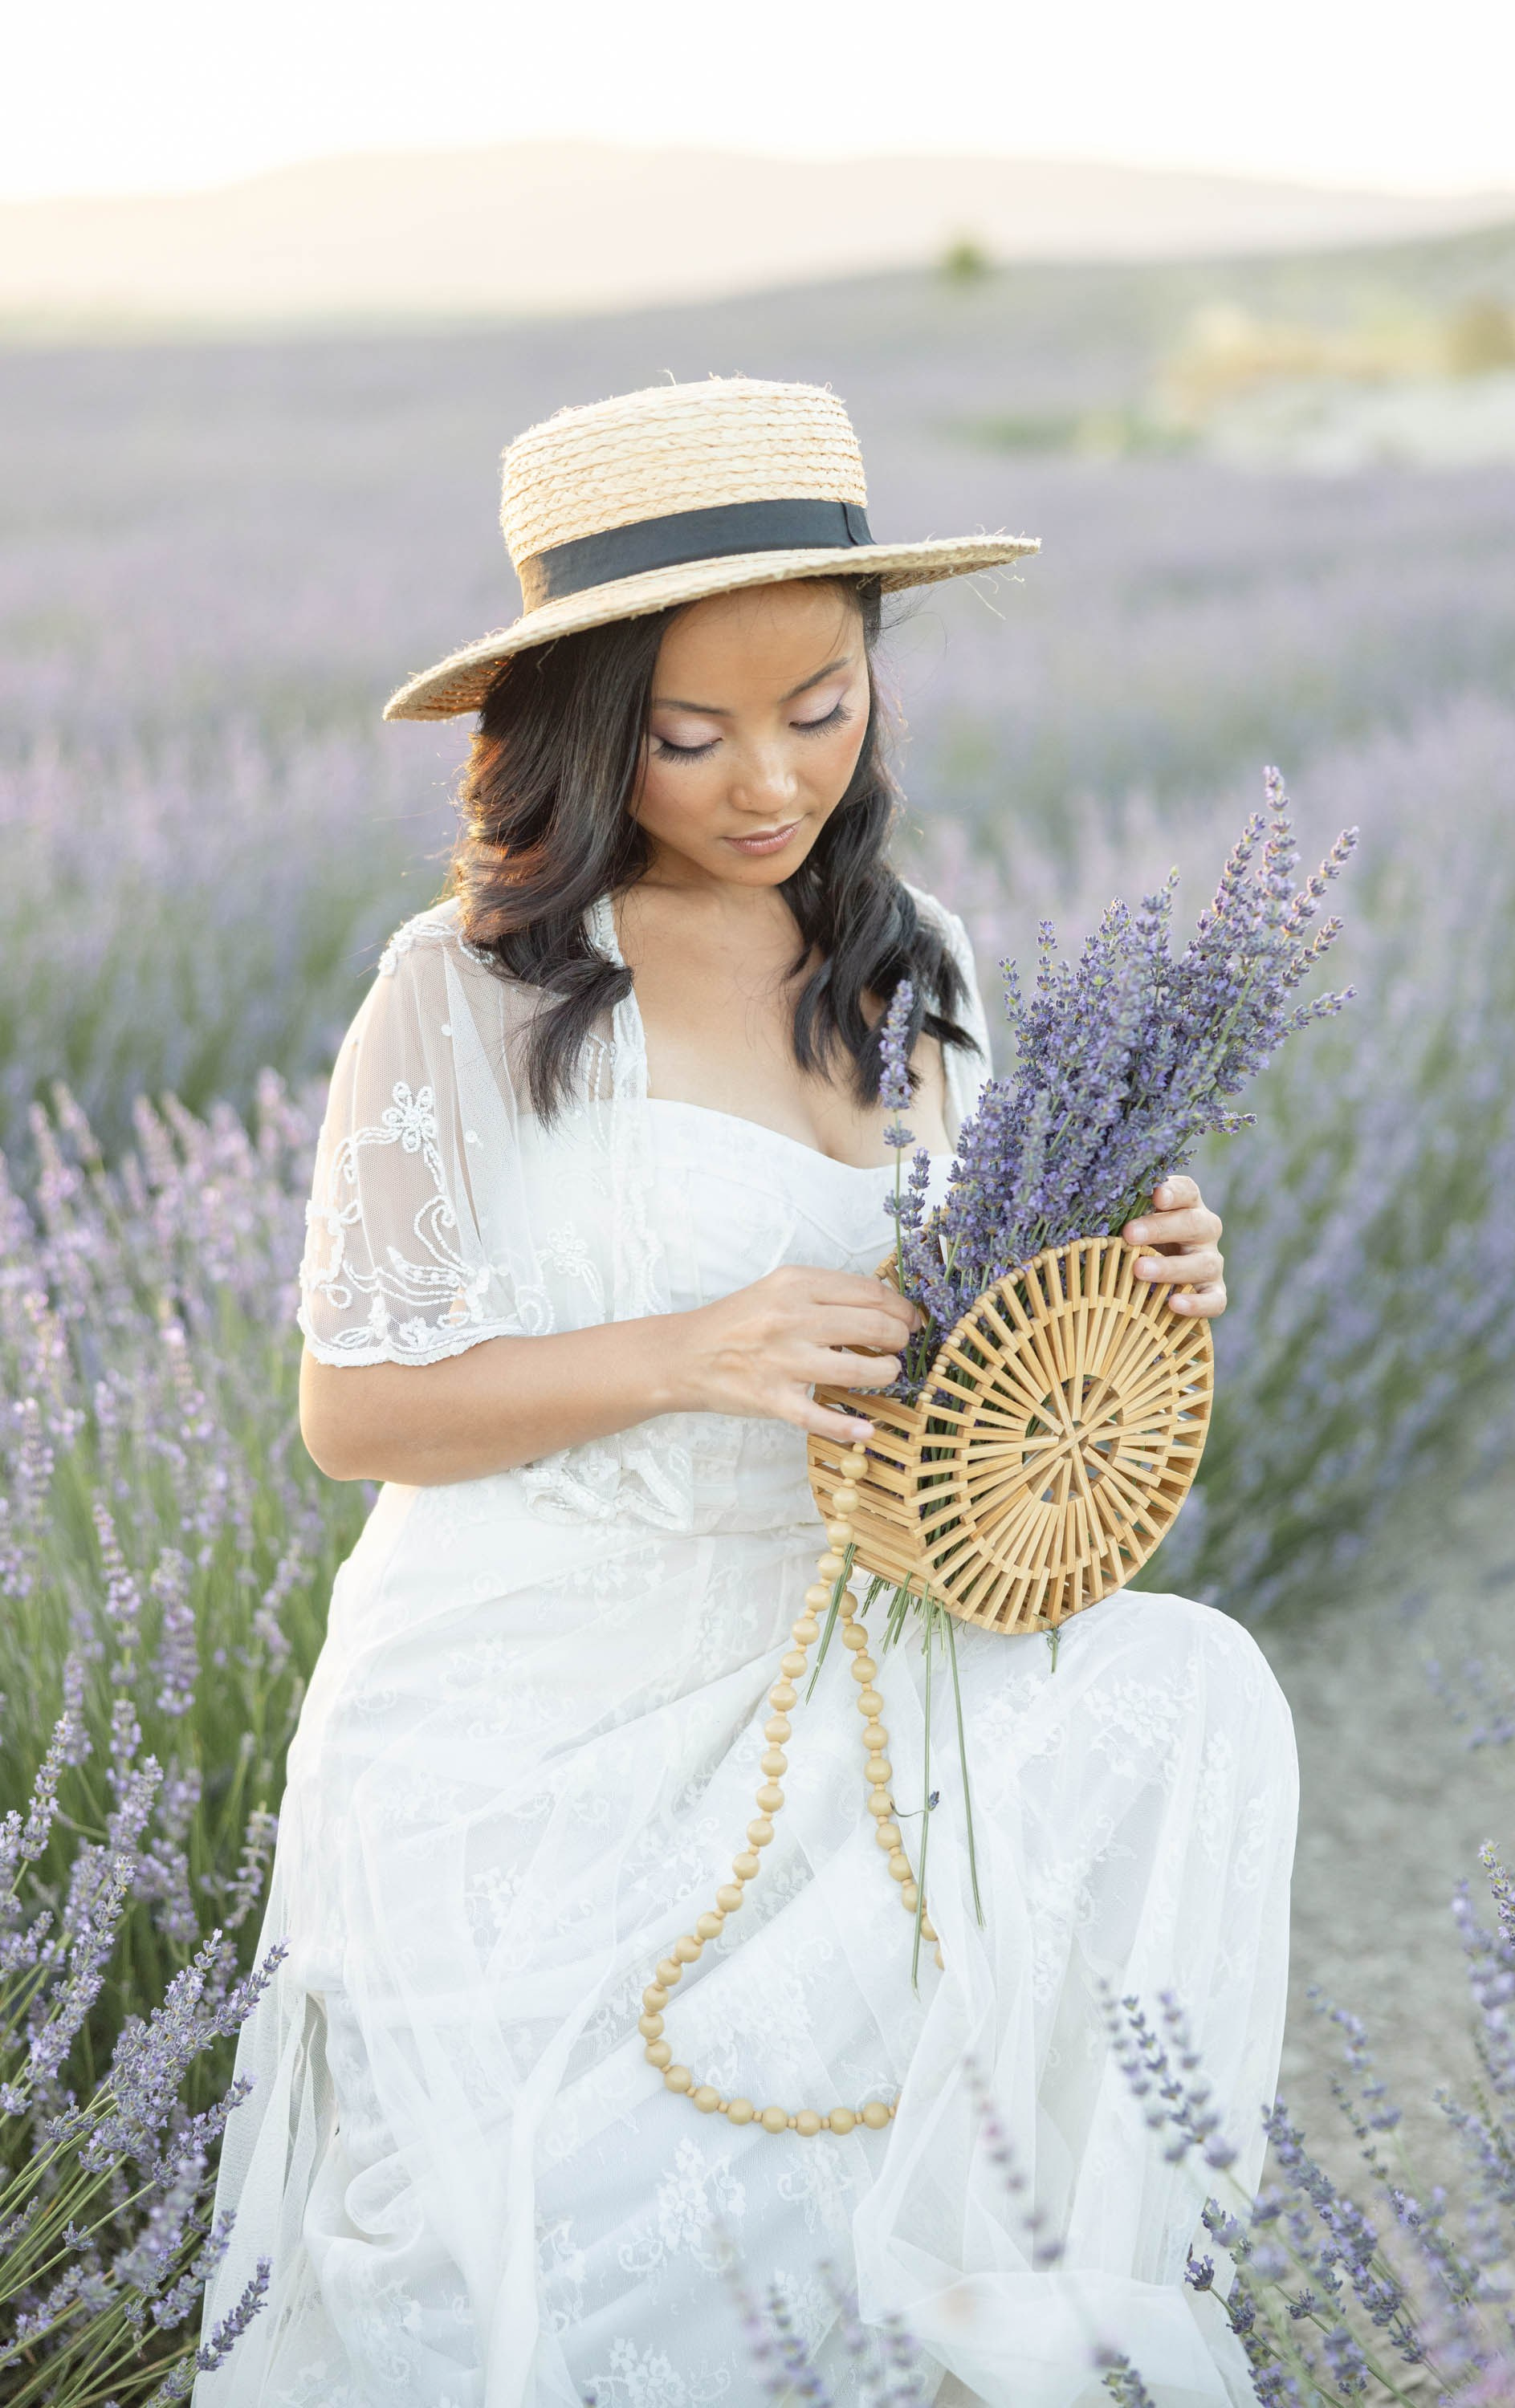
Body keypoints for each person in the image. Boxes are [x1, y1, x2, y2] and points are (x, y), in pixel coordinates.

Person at [198, 378, 1296, 2408]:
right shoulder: (463, 991)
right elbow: (354, 1408)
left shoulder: (916, 966)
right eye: (691, 736)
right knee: (573, 2285)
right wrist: (685, 1355)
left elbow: (969, 1355)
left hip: (857, 1667)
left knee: (1191, 1692)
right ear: (585, 729)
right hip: (534, 1707)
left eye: (822, 704)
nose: (769, 778)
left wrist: (1137, 1284)